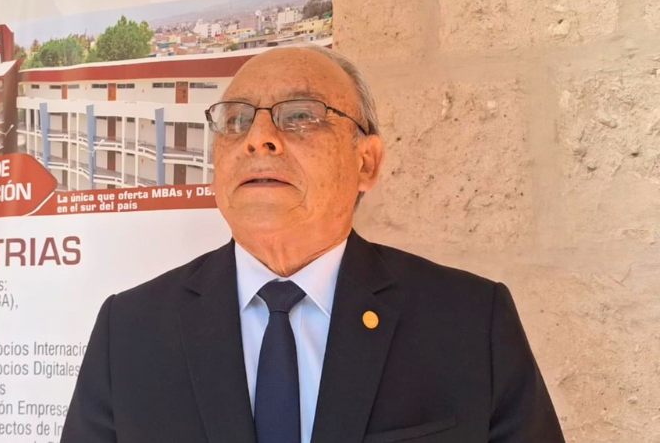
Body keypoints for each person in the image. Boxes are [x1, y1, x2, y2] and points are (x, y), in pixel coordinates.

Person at [59, 44, 565, 443]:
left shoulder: (469, 321)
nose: (257, 137)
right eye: (235, 120)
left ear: (366, 162)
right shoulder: (131, 330)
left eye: (300, 115)